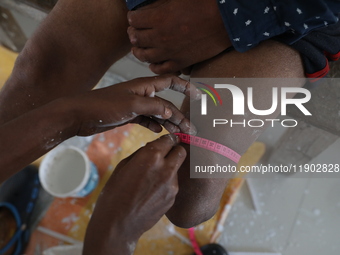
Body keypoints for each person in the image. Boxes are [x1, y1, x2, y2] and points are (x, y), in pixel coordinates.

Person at [1, 0, 340, 235]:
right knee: (34, 85)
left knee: (189, 196)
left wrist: (230, 17)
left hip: (292, 13)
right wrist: (113, 235)